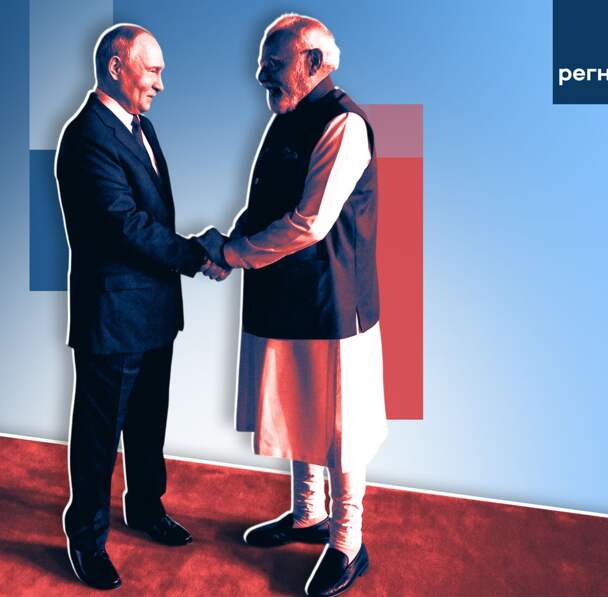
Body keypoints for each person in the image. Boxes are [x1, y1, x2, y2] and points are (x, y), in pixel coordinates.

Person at [201, 14, 388, 596]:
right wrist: (231, 240)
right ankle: (308, 515)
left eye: (274, 63)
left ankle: (348, 542)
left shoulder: (344, 124)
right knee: (298, 408)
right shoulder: (288, 116)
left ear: (314, 63)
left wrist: (233, 254)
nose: (262, 73)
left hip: (334, 302)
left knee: (341, 424)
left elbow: (309, 223)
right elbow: (263, 202)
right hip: (284, 293)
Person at [54, 23, 226, 591]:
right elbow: (123, 225)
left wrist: (192, 253)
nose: (160, 83)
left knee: (150, 422)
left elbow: (150, 217)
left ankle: (146, 507)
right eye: (152, 70)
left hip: (154, 311)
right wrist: (196, 255)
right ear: (115, 67)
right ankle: (86, 539)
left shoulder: (140, 126)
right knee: (99, 436)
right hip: (113, 316)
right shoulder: (87, 136)